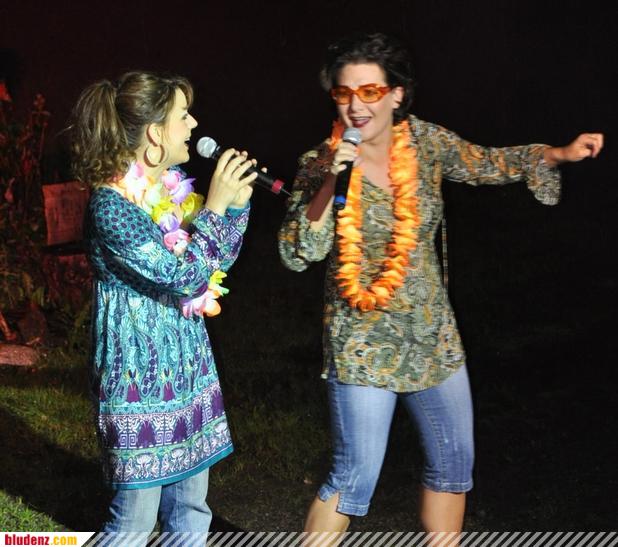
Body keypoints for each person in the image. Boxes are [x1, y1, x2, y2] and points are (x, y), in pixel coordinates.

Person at [278, 32, 603, 540]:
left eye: (369, 91)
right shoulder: (319, 162)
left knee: (453, 465)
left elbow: (485, 163)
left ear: (396, 94)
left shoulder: (425, 143)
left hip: (433, 336)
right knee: (353, 475)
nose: (356, 106)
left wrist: (557, 154)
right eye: (344, 93)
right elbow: (299, 251)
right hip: (361, 344)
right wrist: (330, 181)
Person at [68, 71, 257, 544]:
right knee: (134, 521)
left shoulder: (171, 199)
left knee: (192, 509)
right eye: (183, 116)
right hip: (139, 383)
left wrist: (236, 207)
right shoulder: (111, 207)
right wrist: (215, 209)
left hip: (188, 373)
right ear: (155, 133)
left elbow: (212, 264)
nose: (193, 125)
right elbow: (183, 275)